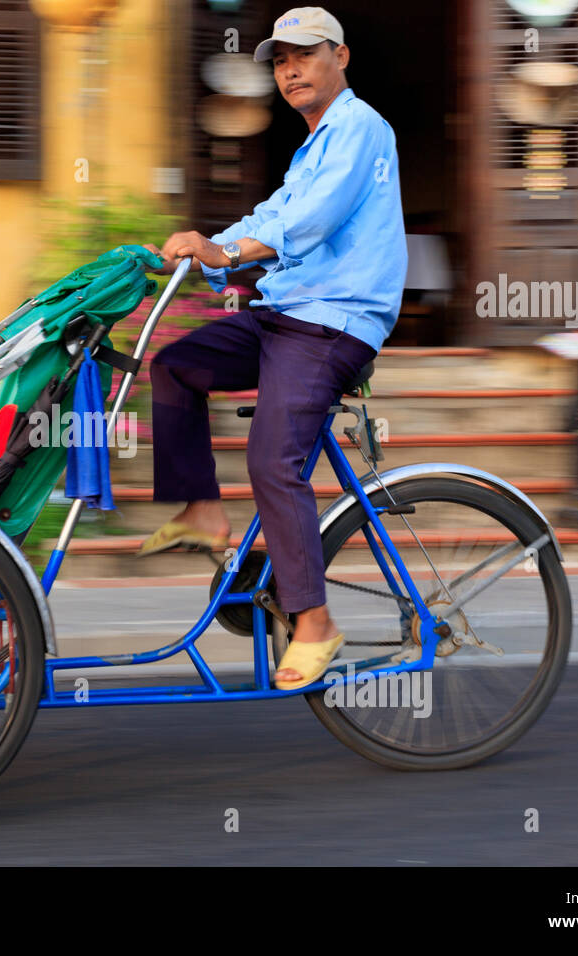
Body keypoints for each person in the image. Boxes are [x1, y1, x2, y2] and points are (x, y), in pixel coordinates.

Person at [140, 6, 408, 690]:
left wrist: (226, 251)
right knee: (175, 365)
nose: (290, 71)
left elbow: (311, 223)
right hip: (285, 313)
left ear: (340, 57)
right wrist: (197, 253)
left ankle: (315, 622)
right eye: (280, 61)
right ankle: (201, 509)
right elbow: (272, 218)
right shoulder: (312, 146)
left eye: (304, 55)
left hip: (333, 323)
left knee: (272, 457)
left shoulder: (360, 128)